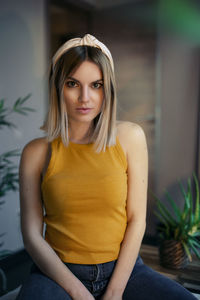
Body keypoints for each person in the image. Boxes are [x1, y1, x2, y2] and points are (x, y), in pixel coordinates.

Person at [16, 34, 196, 300]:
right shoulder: (36, 152)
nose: (85, 97)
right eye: (73, 83)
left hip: (124, 269)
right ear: (58, 88)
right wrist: (78, 292)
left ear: (107, 89)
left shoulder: (130, 137)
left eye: (96, 85)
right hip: (58, 272)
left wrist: (113, 293)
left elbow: (137, 220)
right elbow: (32, 234)